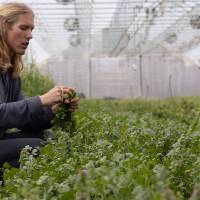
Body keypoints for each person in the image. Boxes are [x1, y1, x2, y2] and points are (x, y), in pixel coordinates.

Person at [0, 3, 79, 168]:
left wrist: (54, 109)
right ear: (3, 26)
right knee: (37, 147)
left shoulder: (11, 73)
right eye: (23, 28)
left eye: (31, 29)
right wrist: (42, 100)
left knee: (45, 137)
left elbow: (25, 122)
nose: (29, 35)